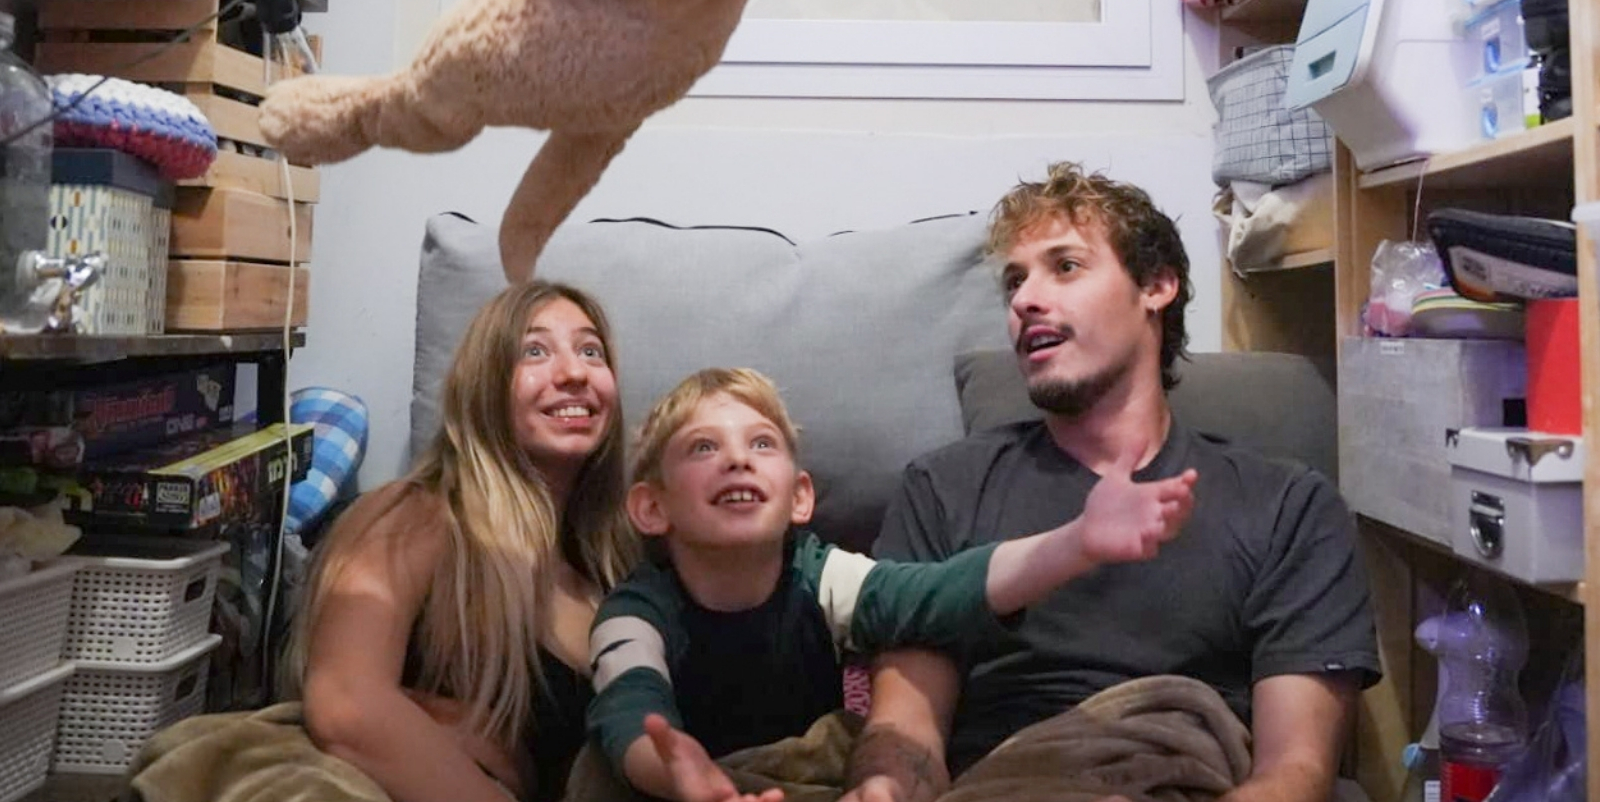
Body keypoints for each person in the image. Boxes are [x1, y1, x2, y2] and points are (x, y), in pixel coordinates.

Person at [846, 164, 1380, 802]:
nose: (1024, 300)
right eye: (1014, 280)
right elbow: (906, 731)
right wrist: (881, 788)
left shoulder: (1288, 507)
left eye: (1065, 266)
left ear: (1156, 286)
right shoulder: (943, 489)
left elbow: (1294, 774)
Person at [588, 367, 1199, 802]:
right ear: (651, 508)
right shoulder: (634, 613)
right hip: (675, 781)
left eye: (762, 444)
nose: (737, 459)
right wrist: (681, 776)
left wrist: (1077, 542)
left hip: (800, 778)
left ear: (800, 497)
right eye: (703, 447)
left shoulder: (822, 576)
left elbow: (938, 595)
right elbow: (627, 706)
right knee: (595, 772)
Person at [291, 282, 639, 802]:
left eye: (591, 351)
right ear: (484, 386)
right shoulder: (418, 514)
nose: (574, 373)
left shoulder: (617, 565)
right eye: (534, 351)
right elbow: (345, 703)